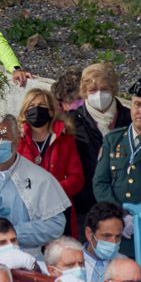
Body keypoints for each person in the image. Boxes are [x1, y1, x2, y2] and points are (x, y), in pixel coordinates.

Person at [0, 114, 71, 251]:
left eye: (3, 137)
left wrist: (10, 234)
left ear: (16, 140)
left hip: (22, 257)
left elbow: (55, 225)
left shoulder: (41, 179)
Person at [18, 87, 84, 234]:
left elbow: (77, 179)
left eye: (42, 106)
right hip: (26, 212)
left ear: (51, 111)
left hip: (59, 209)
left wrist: (50, 191)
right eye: (31, 106)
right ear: (24, 111)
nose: (36, 110)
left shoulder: (66, 140)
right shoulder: (16, 141)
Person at [72, 62, 130, 219]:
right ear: (84, 92)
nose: (99, 94)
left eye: (104, 89)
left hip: (126, 205)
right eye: (92, 90)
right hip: (85, 206)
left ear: (113, 89)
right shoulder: (71, 122)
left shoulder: (130, 119)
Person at [93, 78, 141, 240]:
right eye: (137, 104)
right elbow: (100, 183)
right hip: (117, 230)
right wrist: (120, 216)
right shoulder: (113, 140)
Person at [83, 201, 126, 282]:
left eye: (118, 236)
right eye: (106, 236)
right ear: (89, 234)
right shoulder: (73, 263)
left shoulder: (125, 264)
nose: (113, 242)